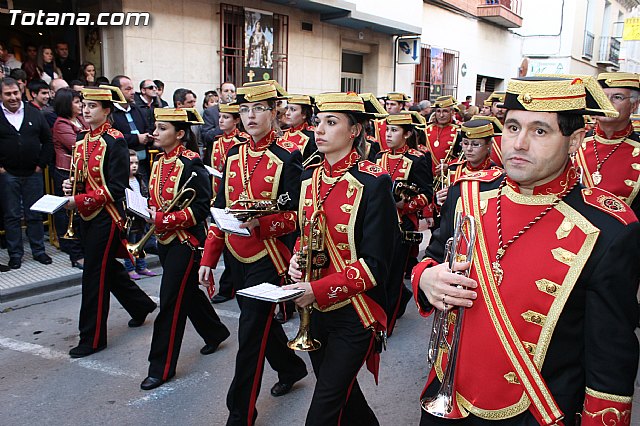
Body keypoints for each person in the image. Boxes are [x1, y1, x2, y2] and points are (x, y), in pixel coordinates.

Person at [412, 77, 639, 425]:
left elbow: (610, 359)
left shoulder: (608, 228)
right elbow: (435, 254)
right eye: (513, 126)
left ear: (574, 140)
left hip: (539, 411)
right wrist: (425, 277)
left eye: (540, 132)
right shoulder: (468, 195)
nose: (518, 143)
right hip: (449, 395)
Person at [198, 81, 308, 426]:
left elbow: (295, 217)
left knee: (249, 335)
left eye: (258, 109)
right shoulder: (232, 155)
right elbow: (219, 209)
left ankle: (240, 412)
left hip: (268, 257)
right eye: (244, 110)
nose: (250, 116)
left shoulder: (288, 157)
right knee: (257, 326)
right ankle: (290, 367)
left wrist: (260, 223)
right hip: (234, 254)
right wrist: (208, 259)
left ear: (274, 112)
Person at [285, 92, 397, 426]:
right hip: (315, 311)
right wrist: (295, 261)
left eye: (331, 123)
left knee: (324, 407)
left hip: (356, 312)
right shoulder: (308, 178)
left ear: (354, 131)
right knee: (343, 397)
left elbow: (376, 265)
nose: (319, 129)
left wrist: (316, 290)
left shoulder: (374, 182)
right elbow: (303, 238)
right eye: (318, 122)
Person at [62, 85, 156, 358]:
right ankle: (140, 305)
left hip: (108, 217)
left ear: (106, 111)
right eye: (84, 105)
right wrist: (71, 186)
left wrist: (79, 200)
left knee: (94, 275)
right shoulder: (80, 139)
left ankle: (91, 339)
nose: (86, 110)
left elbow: (116, 188)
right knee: (106, 268)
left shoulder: (115, 141)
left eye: (92, 106)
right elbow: (80, 176)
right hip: (85, 215)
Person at [140, 107, 230, 390]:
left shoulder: (192, 164)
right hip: (165, 242)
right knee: (186, 293)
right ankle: (215, 332)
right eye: (156, 127)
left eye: (162, 128)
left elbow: (203, 207)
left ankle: (161, 367)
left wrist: (165, 219)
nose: (155, 132)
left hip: (186, 243)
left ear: (179, 134)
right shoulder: (158, 162)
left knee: (169, 302)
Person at [376, 111, 433, 336]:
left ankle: (386, 325)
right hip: (380, 223)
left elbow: (427, 194)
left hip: (403, 225)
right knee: (380, 271)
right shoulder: (378, 157)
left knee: (393, 274)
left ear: (407, 134)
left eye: (395, 130)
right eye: (387, 129)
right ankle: (402, 296)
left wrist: (405, 205)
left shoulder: (416, 160)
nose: (388, 135)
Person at [0, 77, 53, 269]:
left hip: (33, 173)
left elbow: (48, 140)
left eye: (15, 93)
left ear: (21, 92)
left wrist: (41, 164)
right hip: (8, 175)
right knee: (12, 215)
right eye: (8, 94)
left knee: (35, 214)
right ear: (1, 95)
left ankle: (39, 251)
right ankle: (15, 254)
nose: (13, 97)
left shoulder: (34, 113)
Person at [575, 72, 640, 217]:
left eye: (617, 97)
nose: (607, 103)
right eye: (602, 97)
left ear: (634, 105)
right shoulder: (575, 143)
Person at [52, 87, 87, 269]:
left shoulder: (80, 119)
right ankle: (75, 254)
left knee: (81, 211)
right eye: (76, 102)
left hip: (81, 171)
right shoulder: (61, 124)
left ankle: (82, 249)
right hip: (66, 172)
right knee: (69, 213)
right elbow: (78, 145)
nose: (80, 105)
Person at [434, 117, 502, 207]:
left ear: (488, 145)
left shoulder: (498, 175)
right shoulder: (453, 169)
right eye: (465, 143)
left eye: (475, 144)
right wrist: (437, 199)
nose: (469, 149)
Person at [110, 75, 153, 182]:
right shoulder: (110, 113)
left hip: (142, 163)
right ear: (117, 91)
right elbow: (112, 137)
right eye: (128, 89)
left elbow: (147, 127)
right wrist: (136, 138)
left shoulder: (137, 109)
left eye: (132, 88)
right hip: (123, 165)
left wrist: (148, 136)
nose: (133, 92)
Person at [122, 150, 157, 280]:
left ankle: (142, 266)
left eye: (136, 163)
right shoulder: (122, 180)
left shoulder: (140, 178)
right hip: (130, 217)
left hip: (141, 216)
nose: (134, 166)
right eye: (131, 163)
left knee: (141, 242)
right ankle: (130, 269)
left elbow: (145, 193)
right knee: (130, 244)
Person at [282, 95, 318, 162]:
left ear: (304, 114)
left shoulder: (313, 136)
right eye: (287, 109)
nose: (287, 113)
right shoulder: (282, 134)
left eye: (293, 110)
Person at [485, 91, 507, 166]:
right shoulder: (484, 125)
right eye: (497, 106)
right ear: (491, 108)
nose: (500, 109)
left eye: (503, 106)